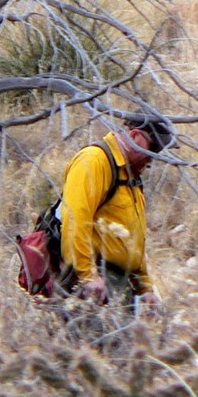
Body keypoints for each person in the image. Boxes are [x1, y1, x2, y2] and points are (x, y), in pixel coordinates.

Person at [60, 112, 175, 309]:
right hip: (94, 286)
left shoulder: (130, 175)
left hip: (119, 286)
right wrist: (88, 276)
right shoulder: (94, 160)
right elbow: (75, 219)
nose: (152, 159)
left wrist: (144, 288)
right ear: (134, 136)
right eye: (153, 148)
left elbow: (133, 241)